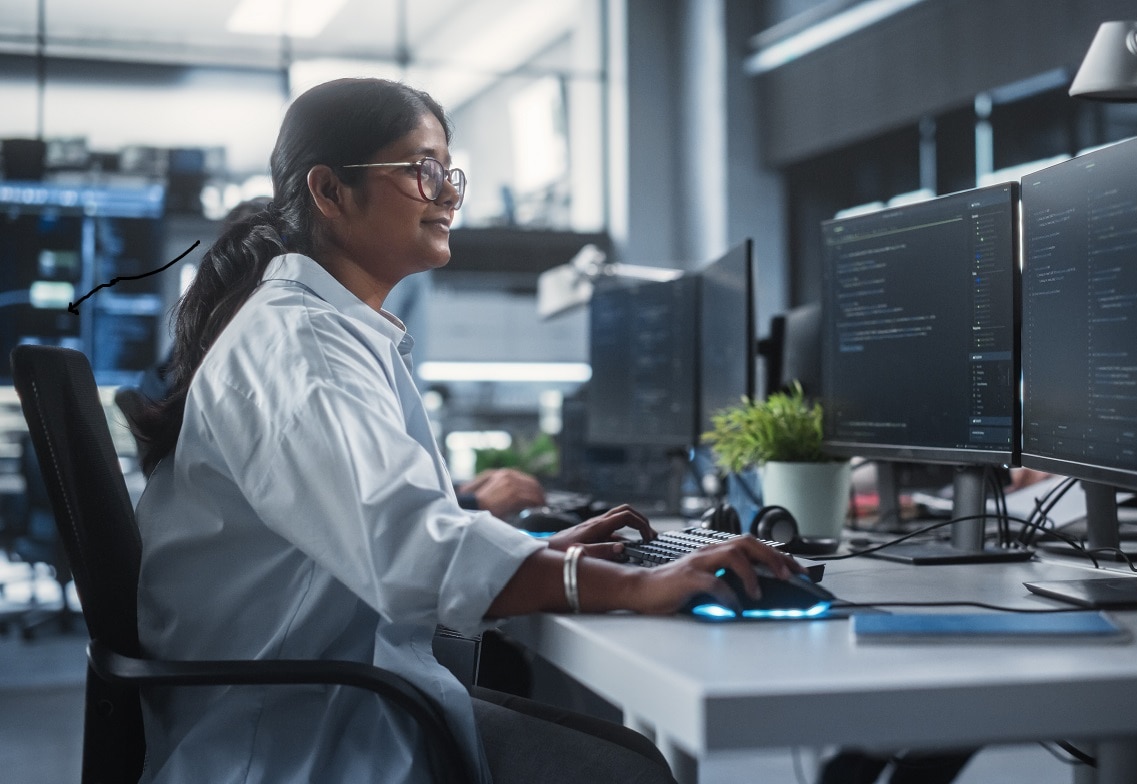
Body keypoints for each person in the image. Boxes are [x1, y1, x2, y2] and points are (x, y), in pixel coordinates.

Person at [128, 77, 799, 784]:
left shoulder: (320, 329)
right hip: (297, 742)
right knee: (624, 771)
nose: (448, 192)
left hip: (331, 701)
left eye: (449, 171)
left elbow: (392, 538)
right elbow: (410, 552)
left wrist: (534, 557)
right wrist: (633, 586)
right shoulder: (305, 346)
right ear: (329, 191)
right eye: (421, 170)